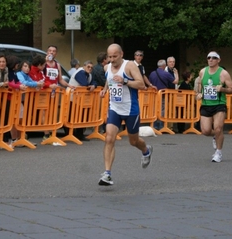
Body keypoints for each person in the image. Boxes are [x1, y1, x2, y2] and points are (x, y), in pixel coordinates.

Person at [98, 43, 153, 186]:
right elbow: (109, 79)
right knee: (109, 138)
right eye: (109, 57)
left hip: (130, 109)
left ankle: (146, 151)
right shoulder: (107, 67)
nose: (112, 60)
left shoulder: (129, 66)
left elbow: (141, 84)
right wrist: (105, 89)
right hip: (114, 108)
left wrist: (125, 81)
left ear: (121, 54)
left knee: (133, 141)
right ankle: (107, 174)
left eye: (115, 56)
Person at [195, 51, 232, 163]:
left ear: (218, 60)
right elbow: (199, 86)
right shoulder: (202, 71)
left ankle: (218, 152)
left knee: (218, 128)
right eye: (209, 58)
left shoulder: (223, 73)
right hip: (206, 105)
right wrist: (198, 94)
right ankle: (216, 136)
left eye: (213, 58)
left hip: (219, 104)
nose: (211, 59)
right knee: (206, 131)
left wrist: (222, 89)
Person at [42, 45, 73, 140]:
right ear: (47, 52)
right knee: (44, 112)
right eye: (49, 50)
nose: (51, 52)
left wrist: (68, 85)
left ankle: (51, 132)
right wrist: (44, 61)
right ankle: (46, 134)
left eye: (54, 51)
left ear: (56, 53)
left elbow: (60, 79)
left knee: (52, 112)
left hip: (54, 91)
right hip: (44, 91)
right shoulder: (43, 63)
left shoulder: (57, 65)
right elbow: (39, 76)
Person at [68, 60, 97, 141]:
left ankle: (79, 134)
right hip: (72, 98)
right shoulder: (80, 72)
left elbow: (94, 82)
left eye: (91, 67)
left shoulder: (89, 75)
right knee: (71, 116)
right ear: (84, 66)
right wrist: (92, 85)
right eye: (88, 67)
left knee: (82, 116)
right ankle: (70, 134)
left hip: (81, 99)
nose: (90, 69)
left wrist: (94, 85)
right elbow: (84, 84)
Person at [149, 59, 178, 130]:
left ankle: (154, 124)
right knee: (163, 109)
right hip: (163, 94)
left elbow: (150, 83)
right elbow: (175, 81)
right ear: (164, 65)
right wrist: (176, 74)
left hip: (154, 94)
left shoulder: (152, 73)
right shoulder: (165, 73)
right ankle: (161, 125)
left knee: (154, 108)